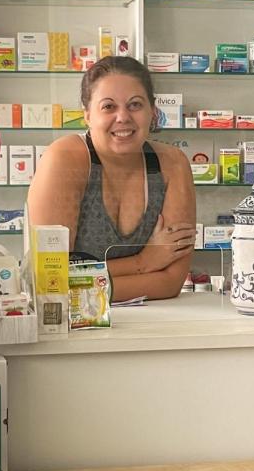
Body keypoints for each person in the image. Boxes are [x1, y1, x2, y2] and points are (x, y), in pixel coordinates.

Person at [27, 56, 196, 302]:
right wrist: (143, 263)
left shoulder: (172, 165)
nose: (123, 117)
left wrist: (84, 284)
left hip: (152, 323)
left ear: (152, 110)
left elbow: (171, 281)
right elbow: (51, 279)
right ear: (87, 115)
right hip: (67, 325)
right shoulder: (65, 158)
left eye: (135, 105)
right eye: (108, 107)